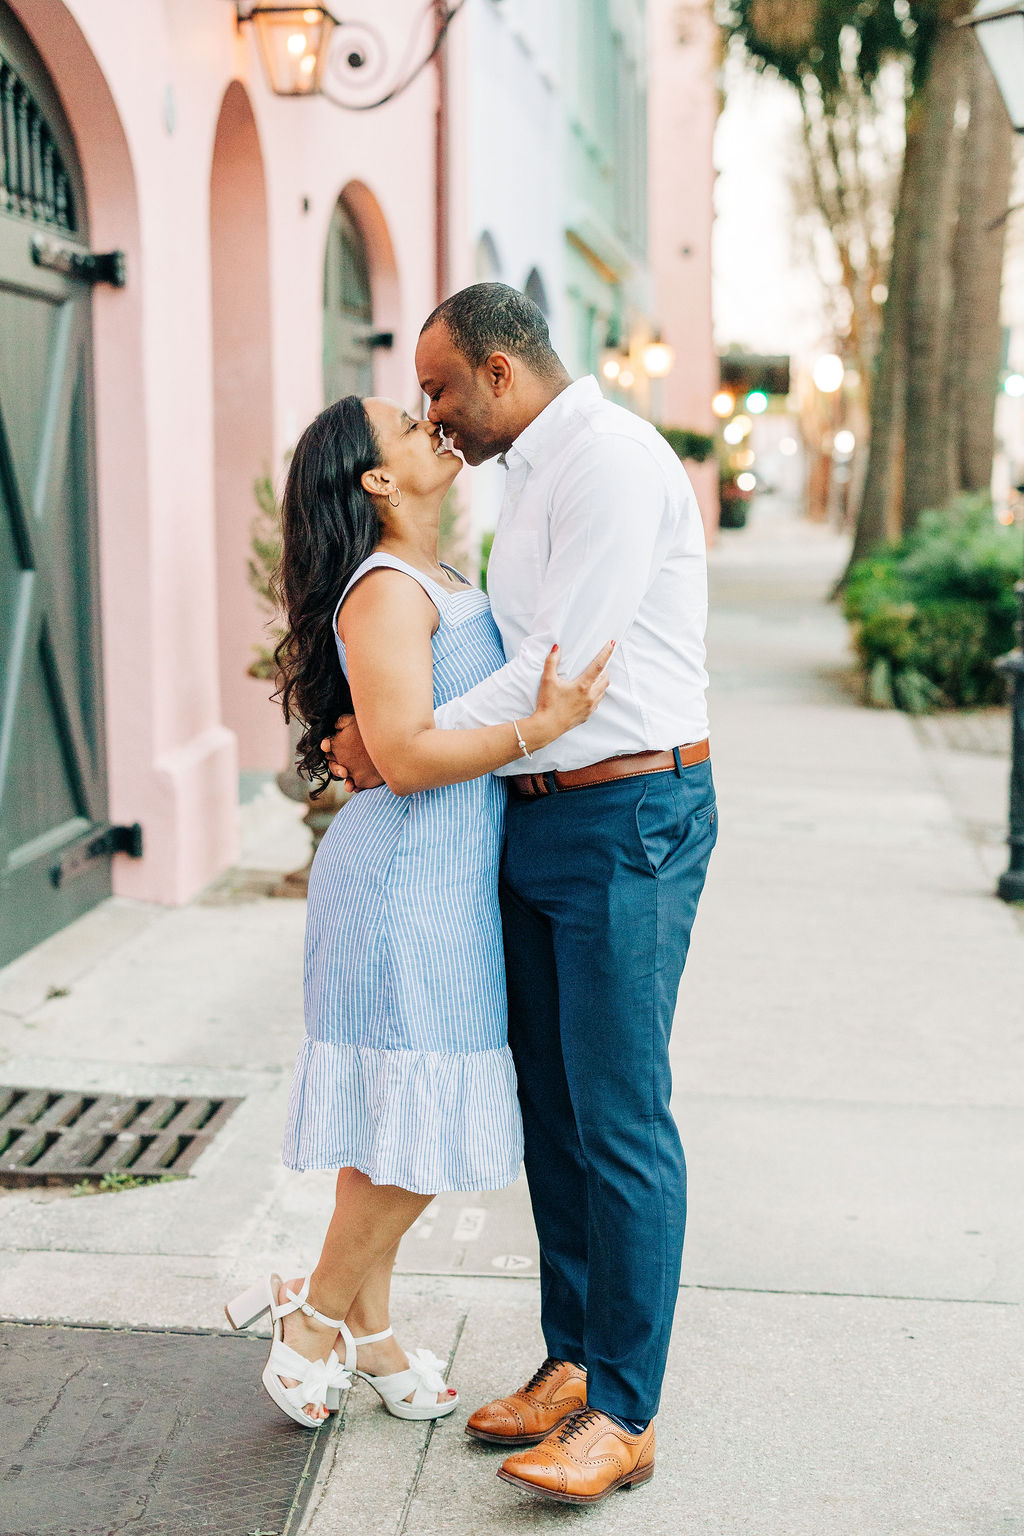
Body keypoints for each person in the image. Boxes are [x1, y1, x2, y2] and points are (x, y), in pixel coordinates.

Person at [325, 283, 717, 1505]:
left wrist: (406, 739)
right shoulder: (530, 475)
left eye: (440, 389)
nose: (432, 415)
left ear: (499, 372)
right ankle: (573, 1360)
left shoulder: (604, 462)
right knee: (554, 1109)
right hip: (541, 814)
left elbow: (558, 674)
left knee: (619, 1115)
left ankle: (626, 1411)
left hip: (625, 812)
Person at [225, 393, 612, 1430]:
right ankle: (313, 1319)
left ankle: (371, 1330)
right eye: (407, 422)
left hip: (437, 881)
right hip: (404, 888)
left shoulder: (434, 579)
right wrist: (543, 725)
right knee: (426, 1139)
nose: (429, 423)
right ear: (378, 482)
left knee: (400, 1124)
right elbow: (401, 758)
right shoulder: (386, 591)